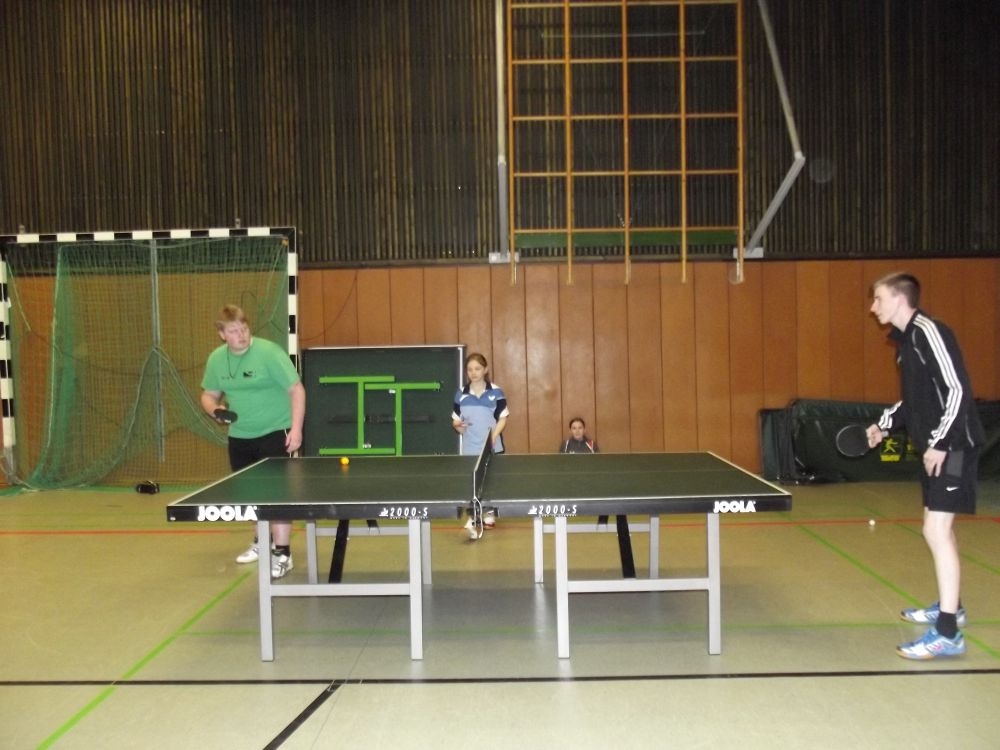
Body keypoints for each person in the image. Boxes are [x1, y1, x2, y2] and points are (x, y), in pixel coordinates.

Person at [866, 272, 983, 660]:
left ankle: (948, 633)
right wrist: (884, 425)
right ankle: (953, 607)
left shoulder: (930, 332)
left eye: (879, 299)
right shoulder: (906, 342)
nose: (873, 308)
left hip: (954, 448)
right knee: (939, 530)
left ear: (900, 299)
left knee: (935, 529)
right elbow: (915, 400)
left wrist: (942, 443)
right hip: (936, 449)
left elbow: (958, 390)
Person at [200, 304, 306, 579]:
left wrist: (296, 429)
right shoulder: (217, 360)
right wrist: (216, 410)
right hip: (240, 436)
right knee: (250, 495)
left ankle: (283, 553)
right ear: (222, 334)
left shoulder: (269, 353)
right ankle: (262, 542)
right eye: (234, 331)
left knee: (277, 496)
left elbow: (296, 389)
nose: (242, 335)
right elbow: (209, 395)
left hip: (275, 432)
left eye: (244, 329)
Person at [452, 352, 508, 539]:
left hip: (492, 446)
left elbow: (503, 418)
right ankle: (473, 516)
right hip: (470, 448)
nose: (473, 373)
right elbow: (457, 422)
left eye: (477, 368)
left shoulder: (496, 392)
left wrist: (494, 436)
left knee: (491, 481)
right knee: (472, 484)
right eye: (470, 369)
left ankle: (489, 514)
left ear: (485, 370)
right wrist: (458, 425)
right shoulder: (461, 393)